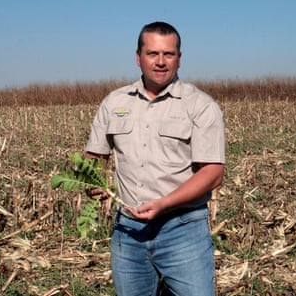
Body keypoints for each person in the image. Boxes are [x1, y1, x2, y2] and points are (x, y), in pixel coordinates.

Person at [85, 21, 225, 296]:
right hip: (128, 230)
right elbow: (94, 156)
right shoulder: (114, 103)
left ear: (179, 59)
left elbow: (212, 173)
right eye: (152, 54)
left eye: (168, 54)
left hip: (182, 229)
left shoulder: (200, 105)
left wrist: (163, 204)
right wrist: (92, 180)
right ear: (138, 58)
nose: (160, 62)